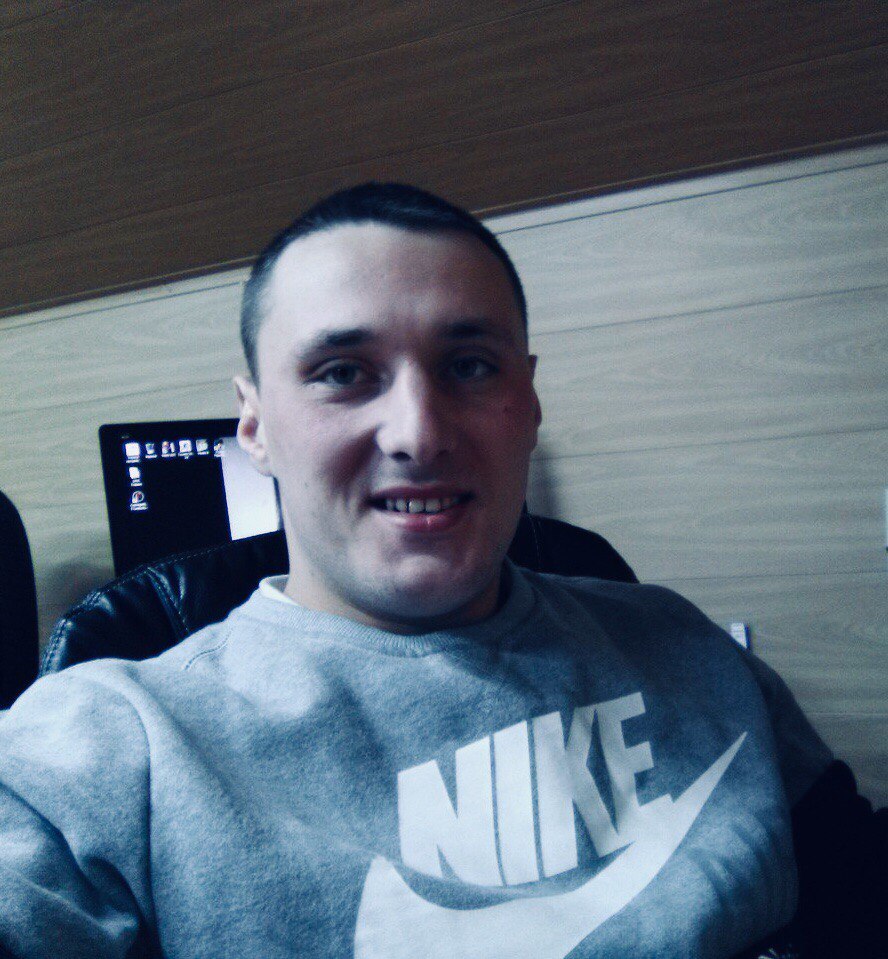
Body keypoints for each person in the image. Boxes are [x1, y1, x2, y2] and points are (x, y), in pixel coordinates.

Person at [0, 184, 883, 959]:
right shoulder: (112, 744)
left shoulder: (687, 644)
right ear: (255, 424)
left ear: (527, 399)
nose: (418, 433)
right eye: (343, 373)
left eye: (469, 366)